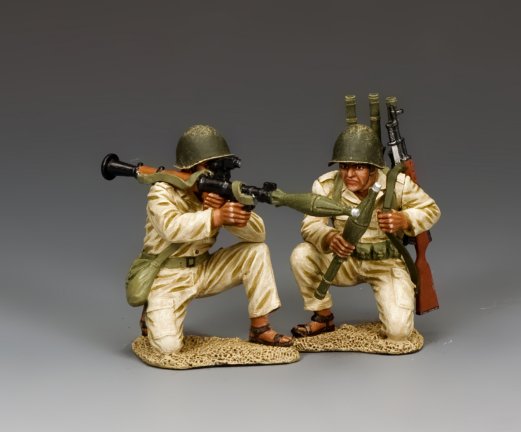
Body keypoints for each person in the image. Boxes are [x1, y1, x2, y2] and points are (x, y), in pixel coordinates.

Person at [143, 124, 292, 353]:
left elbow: (258, 234)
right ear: (190, 167)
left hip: (205, 269)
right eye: (209, 166)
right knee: (168, 348)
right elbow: (170, 228)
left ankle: (260, 328)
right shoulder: (162, 191)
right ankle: (150, 308)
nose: (216, 173)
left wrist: (228, 210)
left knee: (257, 251)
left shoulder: (218, 191)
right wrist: (214, 217)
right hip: (168, 277)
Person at [290, 123, 440, 341]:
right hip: (344, 261)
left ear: (373, 168)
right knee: (302, 255)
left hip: (385, 262)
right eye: (344, 166)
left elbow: (431, 210)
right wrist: (329, 237)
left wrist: (405, 219)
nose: (349, 174)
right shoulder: (327, 185)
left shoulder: (397, 184)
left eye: (358, 167)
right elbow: (310, 225)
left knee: (398, 333)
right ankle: (323, 317)